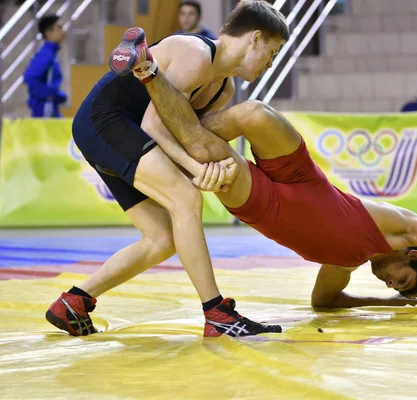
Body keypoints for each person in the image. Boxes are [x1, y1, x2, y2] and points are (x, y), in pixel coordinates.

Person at [105, 28, 417, 312]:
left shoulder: (344, 265)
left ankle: (147, 70)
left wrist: (388, 303)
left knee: (208, 151)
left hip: (265, 204)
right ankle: (165, 126)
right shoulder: (403, 227)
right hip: (303, 177)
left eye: (396, 288)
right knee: (253, 113)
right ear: (412, 255)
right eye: (402, 280)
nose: (391, 284)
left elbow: (324, 304)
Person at [45, 0, 289, 338]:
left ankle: (74, 302)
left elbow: (186, 136)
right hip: (107, 120)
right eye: (272, 52)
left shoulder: (224, 88)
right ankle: (217, 313)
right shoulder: (196, 53)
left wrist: (205, 169)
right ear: (255, 38)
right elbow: (155, 125)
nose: (270, 63)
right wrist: (196, 171)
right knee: (186, 201)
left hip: (123, 130)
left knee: (162, 238)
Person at [23, 14, 67, 118]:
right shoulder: (46, 54)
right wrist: (51, 95)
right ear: (48, 32)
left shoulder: (51, 53)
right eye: (59, 28)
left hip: (50, 108)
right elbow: (29, 77)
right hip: (44, 109)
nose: (63, 32)